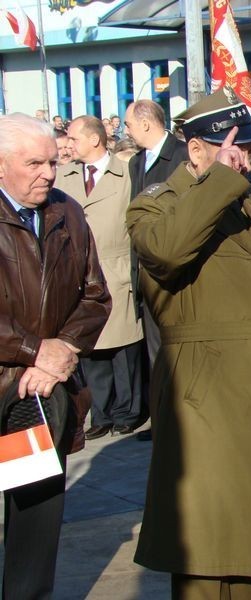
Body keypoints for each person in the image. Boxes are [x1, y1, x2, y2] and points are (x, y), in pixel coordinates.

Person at [127, 87, 251, 598]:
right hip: (203, 396)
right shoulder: (156, 203)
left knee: (250, 543)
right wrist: (219, 178)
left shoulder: (250, 202)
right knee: (204, 544)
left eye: (247, 149)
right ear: (197, 148)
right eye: (232, 147)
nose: (244, 159)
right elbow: (167, 251)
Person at [0, 112, 111, 599]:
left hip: (38, 398)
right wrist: (33, 351)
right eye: (34, 163)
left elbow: (96, 296)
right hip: (15, 377)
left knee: (35, 522)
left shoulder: (67, 211)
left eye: (52, 161)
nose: (48, 172)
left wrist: (62, 350)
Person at [56, 115, 144, 439]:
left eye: (74, 138)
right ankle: (101, 414)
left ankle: (128, 411)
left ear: (94, 140)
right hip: (81, 275)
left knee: (123, 350)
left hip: (117, 269)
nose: (68, 144)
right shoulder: (64, 177)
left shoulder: (125, 174)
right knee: (91, 348)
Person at [125, 98, 190, 441]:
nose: (126, 130)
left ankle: (184, 414)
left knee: (180, 348)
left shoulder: (180, 155)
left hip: (175, 270)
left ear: (147, 124)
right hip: (146, 270)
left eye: (130, 124)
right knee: (155, 351)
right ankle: (161, 416)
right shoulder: (137, 162)